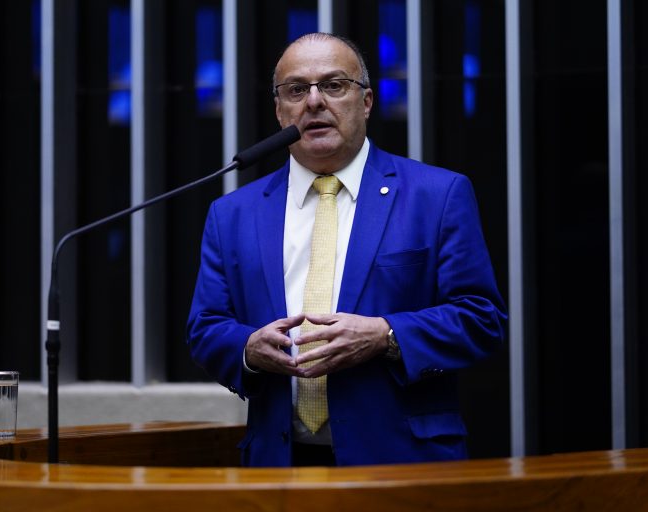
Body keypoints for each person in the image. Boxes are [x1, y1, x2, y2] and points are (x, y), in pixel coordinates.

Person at [187, 32, 507, 467]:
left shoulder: (437, 195)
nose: (314, 102)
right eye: (297, 90)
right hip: (279, 464)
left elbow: (481, 318)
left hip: (403, 462)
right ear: (280, 111)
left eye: (334, 85)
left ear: (367, 102)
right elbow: (205, 328)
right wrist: (248, 348)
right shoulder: (233, 214)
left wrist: (385, 336)